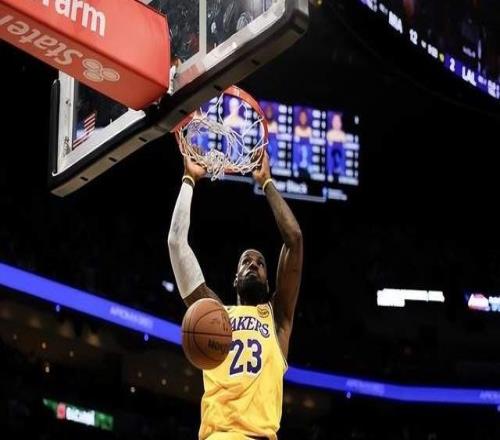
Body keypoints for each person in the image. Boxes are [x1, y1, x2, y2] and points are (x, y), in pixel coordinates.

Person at [168, 151, 303, 440]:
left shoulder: (278, 318)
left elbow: (294, 240)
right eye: (246, 261)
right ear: (235, 278)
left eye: (260, 263)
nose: (253, 264)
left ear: (268, 281)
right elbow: (176, 244)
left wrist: (266, 182)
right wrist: (189, 179)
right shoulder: (214, 314)